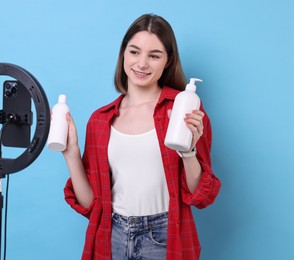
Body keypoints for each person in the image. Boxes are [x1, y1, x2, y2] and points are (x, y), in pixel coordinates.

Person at [62, 13, 221, 260]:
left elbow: (200, 196)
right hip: (111, 235)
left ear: (168, 61)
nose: (142, 63)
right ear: (123, 54)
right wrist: (71, 154)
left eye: (154, 55)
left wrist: (189, 152)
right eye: (134, 52)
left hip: (162, 236)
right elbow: (91, 204)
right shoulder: (100, 119)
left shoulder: (182, 110)